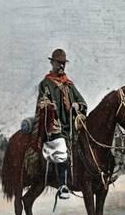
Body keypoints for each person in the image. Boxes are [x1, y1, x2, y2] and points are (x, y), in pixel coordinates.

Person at [36, 48, 87, 199]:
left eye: (64, 63)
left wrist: (78, 106)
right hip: (54, 127)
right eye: (59, 63)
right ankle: (63, 185)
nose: (62, 66)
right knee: (61, 148)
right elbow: (41, 103)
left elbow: (83, 102)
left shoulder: (69, 85)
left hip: (71, 127)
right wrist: (49, 106)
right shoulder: (46, 83)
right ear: (52, 63)